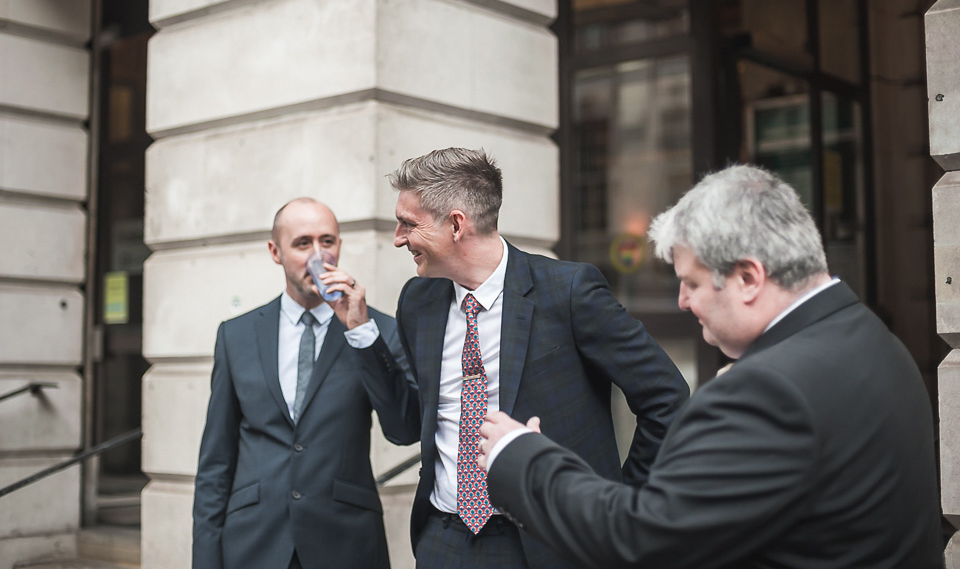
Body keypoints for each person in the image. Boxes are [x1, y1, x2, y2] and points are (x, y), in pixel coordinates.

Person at [478, 165, 944, 569]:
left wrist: (520, 456)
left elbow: (639, 541)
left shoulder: (766, 391)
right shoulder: (870, 336)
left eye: (691, 283)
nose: (682, 301)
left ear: (747, 277)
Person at [388, 147, 689, 569]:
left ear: (457, 224)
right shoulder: (417, 300)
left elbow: (667, 399)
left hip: (548, 543)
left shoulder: (568, 292)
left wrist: (619, 500)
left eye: (408, 224)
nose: (398, 238)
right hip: (443, 539)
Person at [192, 198, 419, 569]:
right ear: (275, 252)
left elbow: (405, 429)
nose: (319, 255)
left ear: (339, 247)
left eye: (327, 241)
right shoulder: (237, 335)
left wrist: (361, 332)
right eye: (302, 243)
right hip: (253, 542)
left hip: (345, 543)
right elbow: (216, 462)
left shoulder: (377, 330)